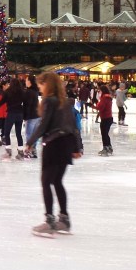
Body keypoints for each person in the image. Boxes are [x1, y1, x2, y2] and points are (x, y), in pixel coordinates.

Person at [26, 71, 83, 238]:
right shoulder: (65, 101)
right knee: (57, 181)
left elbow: (43, 125)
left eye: (40, 85)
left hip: (54, 144)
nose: (40, 89)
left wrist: (30, 142)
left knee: (46, 181)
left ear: (47, 84)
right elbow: (74, 127)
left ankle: (49, 221)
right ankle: (64, 220)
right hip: (66, 144)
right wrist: (77, 147)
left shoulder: (49, 101)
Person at [24, 76, 42, 157]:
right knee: (34, 134)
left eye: (26, 80)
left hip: (31, 116)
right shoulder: (35, 91)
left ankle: (29, 150)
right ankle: (33, 150)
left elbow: (28, 105)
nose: (25, 82)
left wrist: (25, 117)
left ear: (30, 82)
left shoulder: (28, 92)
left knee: (29, 134)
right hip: (37, 116)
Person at [96, 84, 114, 156]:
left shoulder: (104, 98)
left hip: (105, 118)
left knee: (104, 134)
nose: (99, 92)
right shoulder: (108, 97)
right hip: (108, 117)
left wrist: (93, 105)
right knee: (105, 133)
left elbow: (100, 107)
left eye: (99, 91)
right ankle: (109, 147)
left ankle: (106, 148)